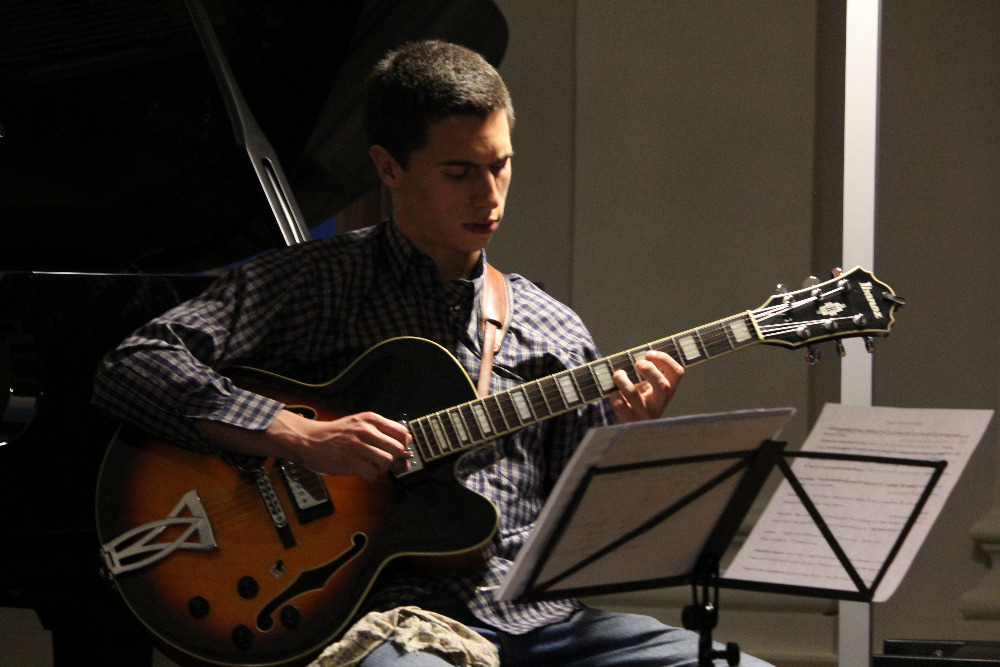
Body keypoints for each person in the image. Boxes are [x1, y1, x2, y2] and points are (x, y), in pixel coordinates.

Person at [94, 39, 768, 667]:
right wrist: (298, 434)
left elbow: (582, 541)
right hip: (381, 620)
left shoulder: (554, 329)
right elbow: (135, 363)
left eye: (500, 165)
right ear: (388, 167)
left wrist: (624, 442)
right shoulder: (315, 285)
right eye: (459, 172)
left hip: (539, 622)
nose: (489, 195)